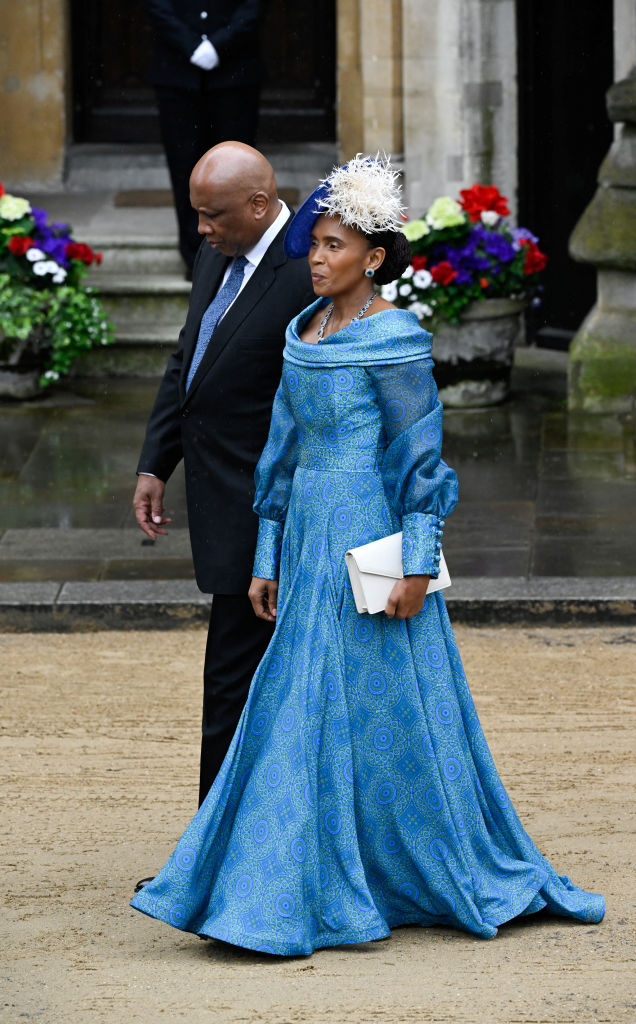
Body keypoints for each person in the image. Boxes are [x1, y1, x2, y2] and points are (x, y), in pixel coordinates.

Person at [131, 156, 605, 955]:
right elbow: (278, 457)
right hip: (309, 539)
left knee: (387, 709)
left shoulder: (398, 341)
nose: (315, 258)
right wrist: (266, 556)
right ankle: (274, 873)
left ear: (373, 257)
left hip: (373, 542)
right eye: (313, 243)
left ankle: (391, 868)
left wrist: (418, 563)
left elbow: (421, 463)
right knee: (293, 703)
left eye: (333, 246)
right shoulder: (300, 331)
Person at [132, 142, 315, 828]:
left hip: (278, 516)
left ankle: (218, 855)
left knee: (237, 685)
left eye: (211, 217)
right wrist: (157, 462)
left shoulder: (309, 271)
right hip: (223, 503)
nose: (200, 231)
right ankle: (228, 846)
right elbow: (191, 359)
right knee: (235, 684)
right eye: (196, 216)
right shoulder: (217, 252)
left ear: (259, 206)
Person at [146, 1, 262, 273]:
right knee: (184, 166)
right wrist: (190, 45)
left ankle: (237, 253)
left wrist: (218, 44)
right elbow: (158, 7)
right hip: (177, 74)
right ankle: (196, 259)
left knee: (236, 171)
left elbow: (251, 8)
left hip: (234, 75)